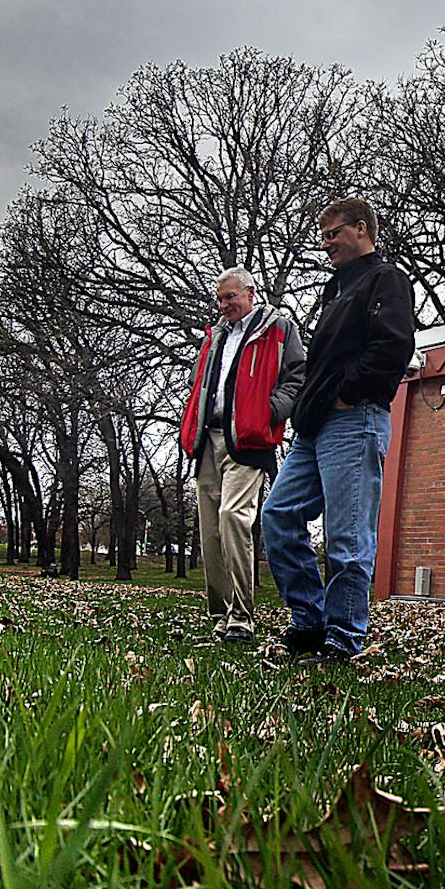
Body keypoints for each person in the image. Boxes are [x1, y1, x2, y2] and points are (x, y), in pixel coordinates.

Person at [262, 198, 417, 661]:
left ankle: (344, 637)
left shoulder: (385, 279)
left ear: (361, 229)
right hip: (313, 427)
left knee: (347, 534)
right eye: (323, 236)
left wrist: (348, 393)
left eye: (333, 234)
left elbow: (393, 346)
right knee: (279, 515)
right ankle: (310, 620)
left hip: (354, 420)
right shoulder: (336, 289)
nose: (326, 244)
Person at [179, 267, 305, 642]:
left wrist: (270, 411)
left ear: (250, 293)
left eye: (230, 297)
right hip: (208, 437)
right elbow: (198, 381)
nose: (224, 305)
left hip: (248, 439)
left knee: (233, 516)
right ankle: (220, 616)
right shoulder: (215, 336)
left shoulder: (278, 328)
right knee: (210, 529)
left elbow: (297, 376)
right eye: (220, 299)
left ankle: (241, 617)